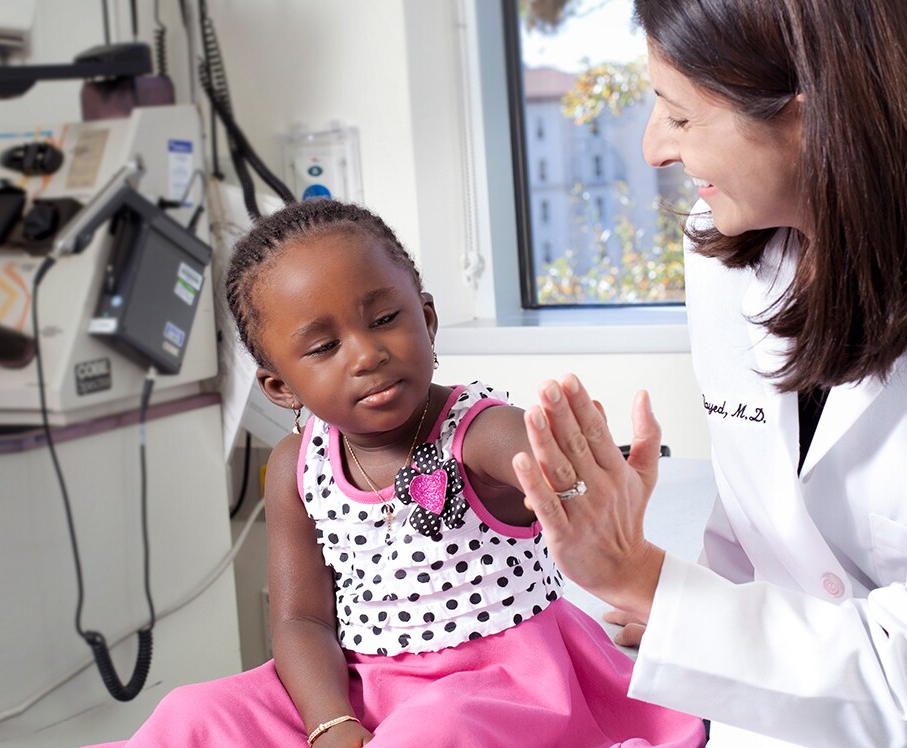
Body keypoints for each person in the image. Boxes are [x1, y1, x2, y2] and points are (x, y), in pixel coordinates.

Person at [87, 199, 704, 747]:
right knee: (192, 713)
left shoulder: (477, 431)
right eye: (323, 347)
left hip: (506, 682)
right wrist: (330, 723)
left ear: (427, 321)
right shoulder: (294, 466)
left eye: (384, 319)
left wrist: (580, 473)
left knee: (437, 729)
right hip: (362, 684)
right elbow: (302, 622)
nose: (367, 353)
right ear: (279, 386)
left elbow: (546, 463)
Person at [510, 1, 907, 746]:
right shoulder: (725, 241)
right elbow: (762, 530)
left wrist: (647, 582)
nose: (653, 147)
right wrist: (685, 611)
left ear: (810, 112)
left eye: (682, 117)